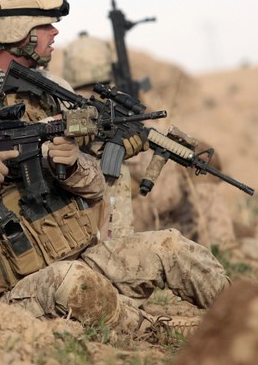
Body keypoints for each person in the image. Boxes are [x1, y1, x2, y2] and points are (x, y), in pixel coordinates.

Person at [0, 0, 231, 335]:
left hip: (75, 256)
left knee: (169, 246)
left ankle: (249, 314)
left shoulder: (30, 108)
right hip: (16, 297)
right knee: (75, 283)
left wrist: (70, 166)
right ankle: (166, 335)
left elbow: (97, 189)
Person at [61, 31, 236, 246]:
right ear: (107, 64)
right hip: (131, 219)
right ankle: (223, 246)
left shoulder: (64, 111)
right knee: (197, 177)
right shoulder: (121, 115)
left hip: (104, 222)